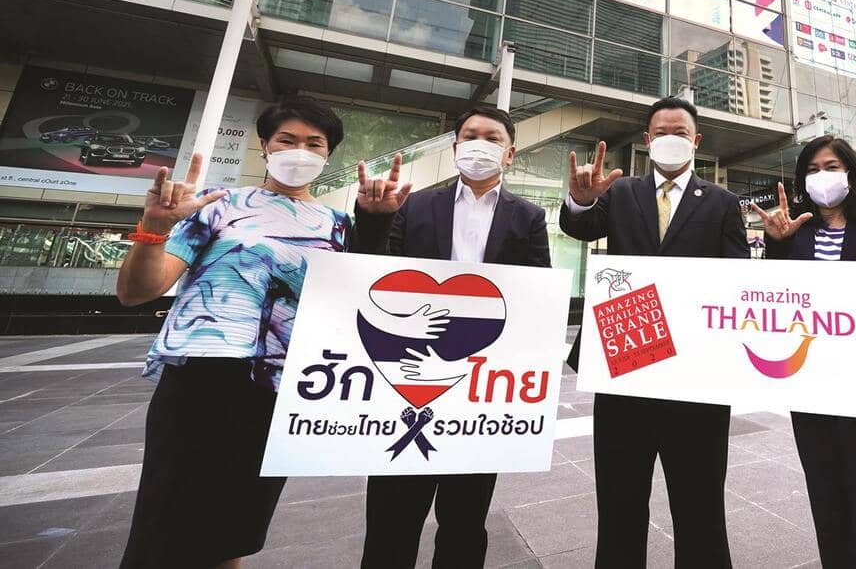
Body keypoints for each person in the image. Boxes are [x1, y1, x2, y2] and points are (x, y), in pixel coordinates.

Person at [118, 95, 412, 569]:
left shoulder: (338, 225)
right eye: (287, 140)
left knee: (235, 531)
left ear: (327, 155)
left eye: (314, 143)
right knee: (164, 523)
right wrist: (153, 229)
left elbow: (352, 304)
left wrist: (376, 224)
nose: (300, 151)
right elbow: (138, 291)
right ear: (264, 145)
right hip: (201, 380)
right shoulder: (216, 204)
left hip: (280, 389)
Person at [354, 105, 551, 569]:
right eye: (470, 135)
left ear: (510, 153)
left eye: (492, 137)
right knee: (390, 520)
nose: (480, 143)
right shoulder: (416, 205)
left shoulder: (528, 217)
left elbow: (535, 297)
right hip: (406, 377)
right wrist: (374, 219)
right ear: (455, 146)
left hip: (481, 387)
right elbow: (374, 277)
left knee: (465, 521)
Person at [561, 96, 748, 568]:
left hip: (696, 378)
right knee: (621, 503)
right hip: (625, 367)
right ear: (647, 139)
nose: (670, 139)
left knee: (701, 506)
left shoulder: (723, 202)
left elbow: (737, 280)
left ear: (696, 141)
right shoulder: (621, 192)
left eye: (680, 132)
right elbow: (579, 227)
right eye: (661, 131)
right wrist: (582, 201)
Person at [752, 135, 856, 569]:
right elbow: (775, 306)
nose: (822, 175)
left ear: (851, 173)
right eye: (812, 168)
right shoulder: (795, 231)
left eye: (832, 165)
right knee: (829, 503)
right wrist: (777, 245)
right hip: (813, 390)